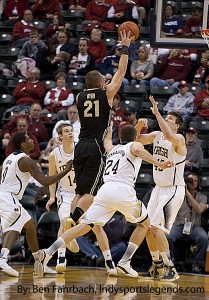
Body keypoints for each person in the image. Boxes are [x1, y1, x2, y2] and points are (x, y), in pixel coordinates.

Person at [34, 124, 172, 278]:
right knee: (145, 223)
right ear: (134, 138)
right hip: (122, 190)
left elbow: (106, 141)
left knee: (85, 226)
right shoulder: (135, 144)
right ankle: (125, 262)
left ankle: (48, 252)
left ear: (119, 138)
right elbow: (138, 150)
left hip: (105, 191)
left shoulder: (113, 148)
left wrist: (110, 129)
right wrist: (159, 163)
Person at [63, 29, 133, 276]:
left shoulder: (80, 96)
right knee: (91, 195)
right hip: (94, 145)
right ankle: (73, 220)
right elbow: (122, 73)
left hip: (80, 145)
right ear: (101, 83)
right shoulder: (106, 93)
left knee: (80, 191)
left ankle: (69, 220)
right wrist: (124, 47)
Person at [0, 132, 73, 277]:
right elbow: (45, 182)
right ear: (23, 144)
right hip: (9, 197)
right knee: (15, 227)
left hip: (5, 196)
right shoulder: (26, 161)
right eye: (28, 139)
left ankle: (39, 262)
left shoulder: (9, 158)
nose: (32, 140)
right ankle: (2, 260)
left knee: (29, 224)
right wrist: (66, 170)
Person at [135, 95, 187, 281]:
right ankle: (156, 265)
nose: (166, 120)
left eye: (170, 119)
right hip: (158, 188)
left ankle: (171, 268)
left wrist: (156, 113)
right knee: (147, 227)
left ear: (177, 125)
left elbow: (170, 136)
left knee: (157, 228)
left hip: (173, 190)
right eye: (166, 118)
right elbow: (137, 140)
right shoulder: (156, 135)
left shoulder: (179, 139)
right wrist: (139, 125)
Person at [45, 123, 78, 273]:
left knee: (88, 225)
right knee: (64, 222)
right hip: (64, 193)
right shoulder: (54, 155)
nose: (70, 133)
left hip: (80, 193)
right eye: (67, 131)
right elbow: (52, 178)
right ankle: (61, 260)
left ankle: (71, 237)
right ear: (60, 136)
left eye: (71, 130)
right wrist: (52, 197)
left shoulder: (80, 149)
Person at [167, 173, 209, 274]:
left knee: (203, 238)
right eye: (190, 180)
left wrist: (188, 195)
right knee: (168, 237)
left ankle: (197, 263)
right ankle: (169, 262)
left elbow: (199, 209)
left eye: (195, 181)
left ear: (198, 183)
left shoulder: (202, 197)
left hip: (194, 226)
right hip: (178, 225)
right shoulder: (178, 195)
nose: (192, 183)